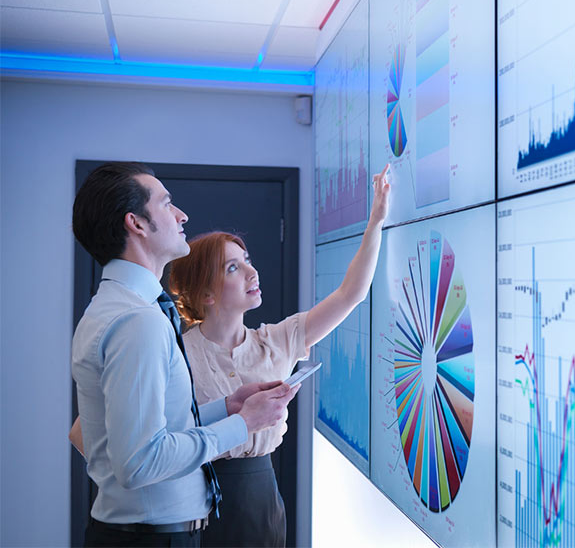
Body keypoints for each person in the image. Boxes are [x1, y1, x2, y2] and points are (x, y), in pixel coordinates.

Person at [71, 162, 299, 547]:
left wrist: (226, 407)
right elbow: (141, 461)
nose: (182, 215)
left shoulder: (122, 308)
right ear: (137, 224)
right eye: (167, 204)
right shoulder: (136, 321)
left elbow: (153, 430)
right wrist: (243, 424)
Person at [166, 164, 391, 547]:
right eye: (234, 267)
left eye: (247, 259)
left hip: (263, 500)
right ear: (206, 294)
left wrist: (376, 223)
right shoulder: (177, 354)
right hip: (195, 502)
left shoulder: (278, 340)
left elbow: (351, 293)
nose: (253, 273)